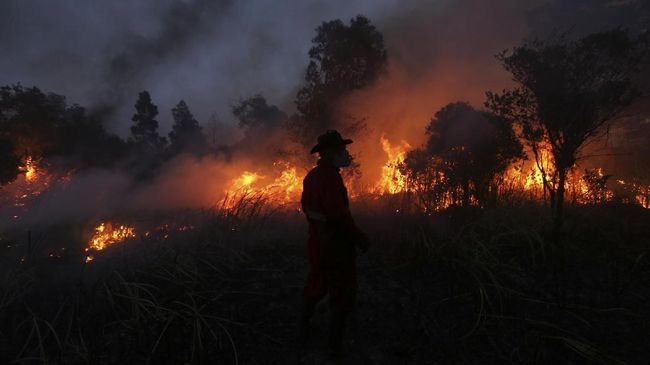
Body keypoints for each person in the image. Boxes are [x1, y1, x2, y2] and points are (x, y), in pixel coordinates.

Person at [299, 130, 370, 354]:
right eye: (341, 150)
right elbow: (339, 215)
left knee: (317, 284)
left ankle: (302, 331)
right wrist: (360, 239)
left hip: (317, 242)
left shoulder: (311, 176)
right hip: (335, 245)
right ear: (329, 153)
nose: (345, 153)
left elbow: (307, 208)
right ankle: (334, 348)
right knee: (343, 291)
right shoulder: (330, 178)